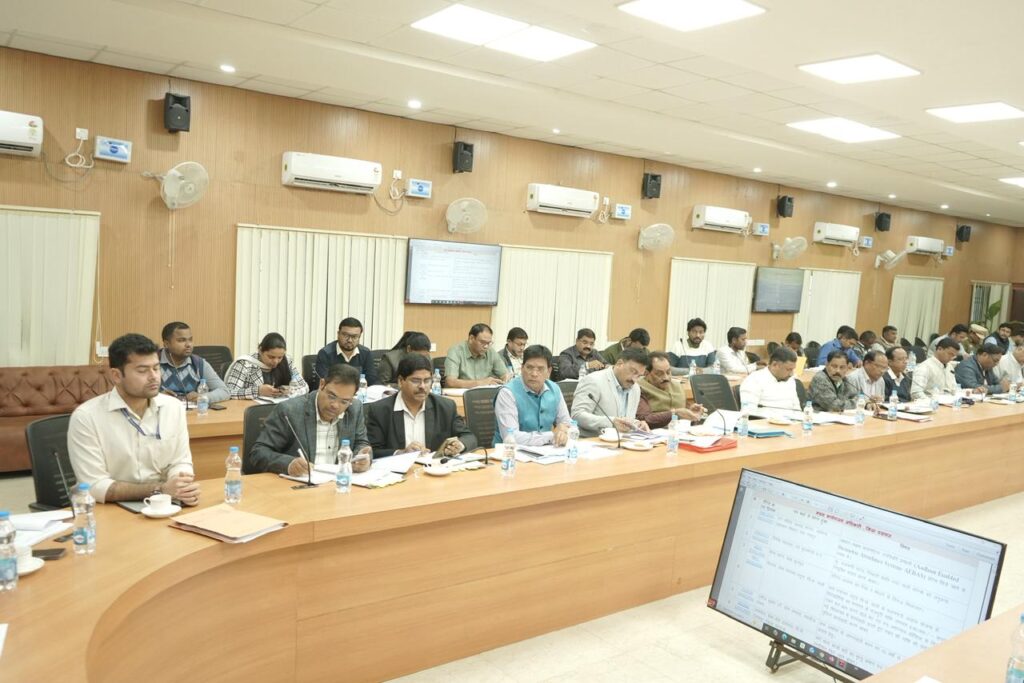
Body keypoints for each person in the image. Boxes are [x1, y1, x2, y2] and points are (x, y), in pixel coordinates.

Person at [68, 333, 200, 506]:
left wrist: (181, 485)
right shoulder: (87, 417)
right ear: (116, 375)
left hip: (165, 504)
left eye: (156, 368)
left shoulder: (173, 407)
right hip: (110, 508)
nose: (153, 377)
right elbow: (95, 486)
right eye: (142, 371)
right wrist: (160, 489)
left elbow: (180, 461)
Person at [246, 364, 371, 476]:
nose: (335, 405)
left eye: (344, 401)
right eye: (332, 396)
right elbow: (259, 452)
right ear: (322, 384)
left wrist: (363, 458)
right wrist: (289, 464)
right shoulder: (290, 411)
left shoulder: (355, 409)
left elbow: (362, 443)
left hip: (339, 482)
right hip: (301, 484)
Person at [365, 354, 476, 458]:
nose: (422, 386)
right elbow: (372, 451)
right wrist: (401, 453)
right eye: (416, 381)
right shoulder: (379, 410)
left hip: (434, 468)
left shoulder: (445, 407)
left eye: (427, 381)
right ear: (400, 381)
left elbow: (469, 437)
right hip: (399, 470)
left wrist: (460, 445)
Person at [493, 345, 570, 446]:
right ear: (522, 368)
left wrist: (563, 431)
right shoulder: (507, 393)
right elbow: (510, 437)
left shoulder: (554, 389)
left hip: (546, 451)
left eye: (540, 369)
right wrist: (552, 435)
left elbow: (567, 424)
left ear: (549, 371)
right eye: (529, 367)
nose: (534, 374)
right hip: (510, 452)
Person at [571, 348, 650, 437]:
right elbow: (577, 415)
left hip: (623, 441)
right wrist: (611, 422)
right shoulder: (593, 381)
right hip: (593, 440)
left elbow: (625, 419)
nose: (634, 380)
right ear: (620, 363)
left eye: (639, 376)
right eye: (633, 372)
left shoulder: (635, 388)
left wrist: (637, 423)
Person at [158, 321, 229, 403]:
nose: (188, 345)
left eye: (190, 340)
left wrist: (203, 397)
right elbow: (143, 393)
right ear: (166, 344)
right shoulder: (152, 362)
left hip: (192, 410)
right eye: (181, 340)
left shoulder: (198, 363)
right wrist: (157, 397)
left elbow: (224, 391)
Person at [224, 333, 307, 399]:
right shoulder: (245, 363)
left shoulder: (287, 361)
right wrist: (258, 391)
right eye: (271, 357)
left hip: (280, 407)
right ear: (260, 350)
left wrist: (290, 390)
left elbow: (304, 387)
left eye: (280, 357)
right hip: (251, 409)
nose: (276, 361)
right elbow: (228, 392)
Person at [637, 351, 703, 428]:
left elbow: (682, 410)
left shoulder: (677, 385)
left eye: (668, 372)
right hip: (654, 431)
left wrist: (690, 412)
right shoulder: (639, 388)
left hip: (678, 429)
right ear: (646, 373)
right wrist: (674, 413)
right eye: (659, 374)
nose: (666, 377)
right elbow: (644, 419)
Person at [314, 317, 379, 386]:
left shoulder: (365, 353)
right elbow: (324, 382)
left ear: (359, 337)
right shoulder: (325, 353)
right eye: (345, 335)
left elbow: (371, 380)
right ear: (338, 334)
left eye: (354, 336)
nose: (349, 340)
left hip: (360, 392)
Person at [444, 323, 510, 388]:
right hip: (461, 393)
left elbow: (504, 374)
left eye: (489, 343)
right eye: (482, 342)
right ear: (471, 338)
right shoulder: (456, 351)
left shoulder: (490, 351)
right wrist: (481, 383)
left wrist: (505, 379)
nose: (486, 346)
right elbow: (450, 382)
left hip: (484, 393)